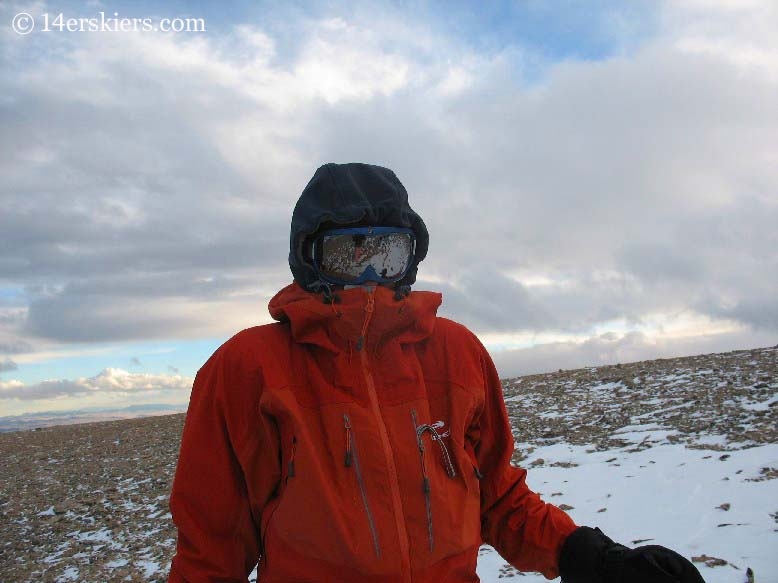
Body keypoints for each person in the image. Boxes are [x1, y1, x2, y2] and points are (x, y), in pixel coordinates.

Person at [168, 163, 705, 583]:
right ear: (310, 257)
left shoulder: (457, 352)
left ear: (412, 254)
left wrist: (589, 556)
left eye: (388, 251)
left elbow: (496, 497)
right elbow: (213, 545)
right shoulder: (246, 368)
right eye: (350, 253)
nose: (372, 273)